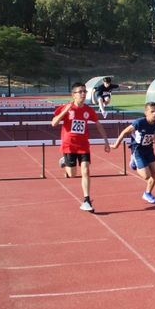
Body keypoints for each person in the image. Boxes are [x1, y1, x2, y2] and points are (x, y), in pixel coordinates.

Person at [52, 82, 111, 213]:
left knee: (85, 170)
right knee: (72, 174)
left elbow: (98, 124)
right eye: (80, 92)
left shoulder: (88, 110)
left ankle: (86, 200)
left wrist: (106, 141)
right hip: (69, 145)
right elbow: (54, 123)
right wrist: (65, 112)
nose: (83, 94)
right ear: (73, 95)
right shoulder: (67, 107)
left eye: (85, 91)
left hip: (83, 145)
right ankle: (65, 161)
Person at [111, 102, 155, 204]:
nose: (154, 114)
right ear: (146, 113)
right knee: (146, 176)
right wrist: (116, 145)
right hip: (137, 150)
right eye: (152, 112)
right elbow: (124, 132)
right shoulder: (139, 122)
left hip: (149, 150)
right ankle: (133, 160)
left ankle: (147, 193)